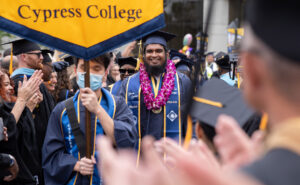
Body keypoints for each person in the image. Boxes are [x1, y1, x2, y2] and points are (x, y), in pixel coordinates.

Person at [42, 53, 137, 185]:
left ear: (105, 74)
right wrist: (75, 165)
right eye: (84, 68)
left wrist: (98, 110)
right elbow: (51, 156)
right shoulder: (62, 110)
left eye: (96, 69)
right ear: (75, 71)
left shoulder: (117, 105)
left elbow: (127, 142)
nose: (89, 74)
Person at [118, 31, 192, 152]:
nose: (154, 55)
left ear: (167, 54)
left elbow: (190, 120)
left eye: (158, 51)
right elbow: (121, 120)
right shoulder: (128, 84)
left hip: (172, 158)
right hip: (139, 158)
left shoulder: (182, 82)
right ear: (143, 55)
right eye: (149, 51)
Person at [8, 39, 55, 159]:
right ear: (24, 56)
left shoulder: (34, 79)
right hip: (32, 149)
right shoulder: (19, 82)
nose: (42, 57)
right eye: (38, 54)